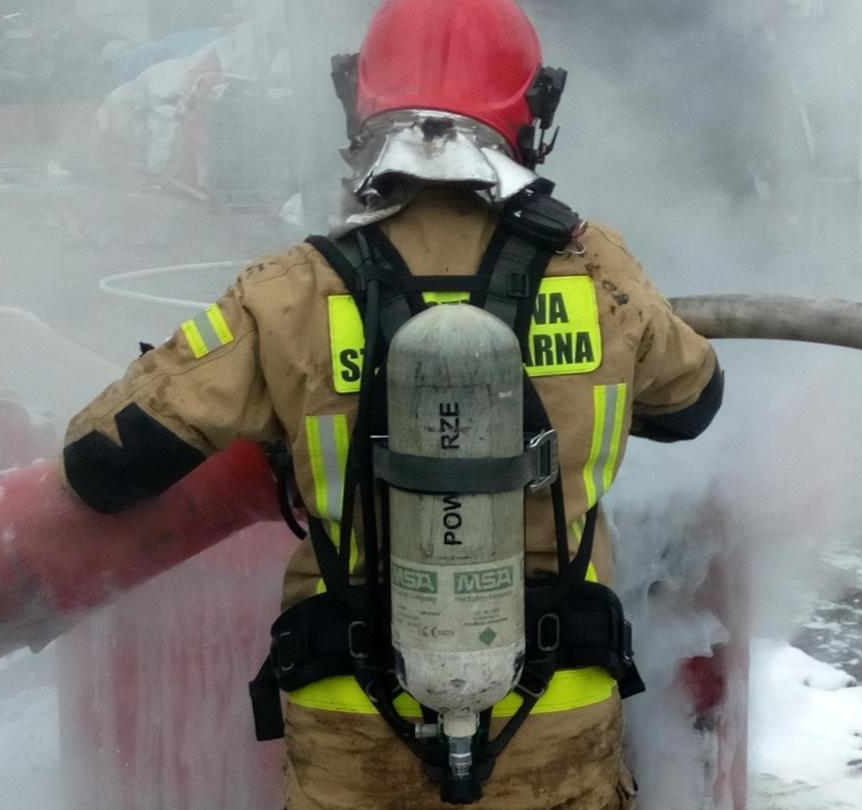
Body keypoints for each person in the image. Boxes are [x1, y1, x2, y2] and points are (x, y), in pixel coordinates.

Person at [56, 0, 725, 807]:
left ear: (361, 107)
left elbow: (102, 465)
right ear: (533, 114)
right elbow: (694, 403)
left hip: (354, 726)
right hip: (556, 716)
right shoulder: (597, 271)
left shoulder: (293, 289)